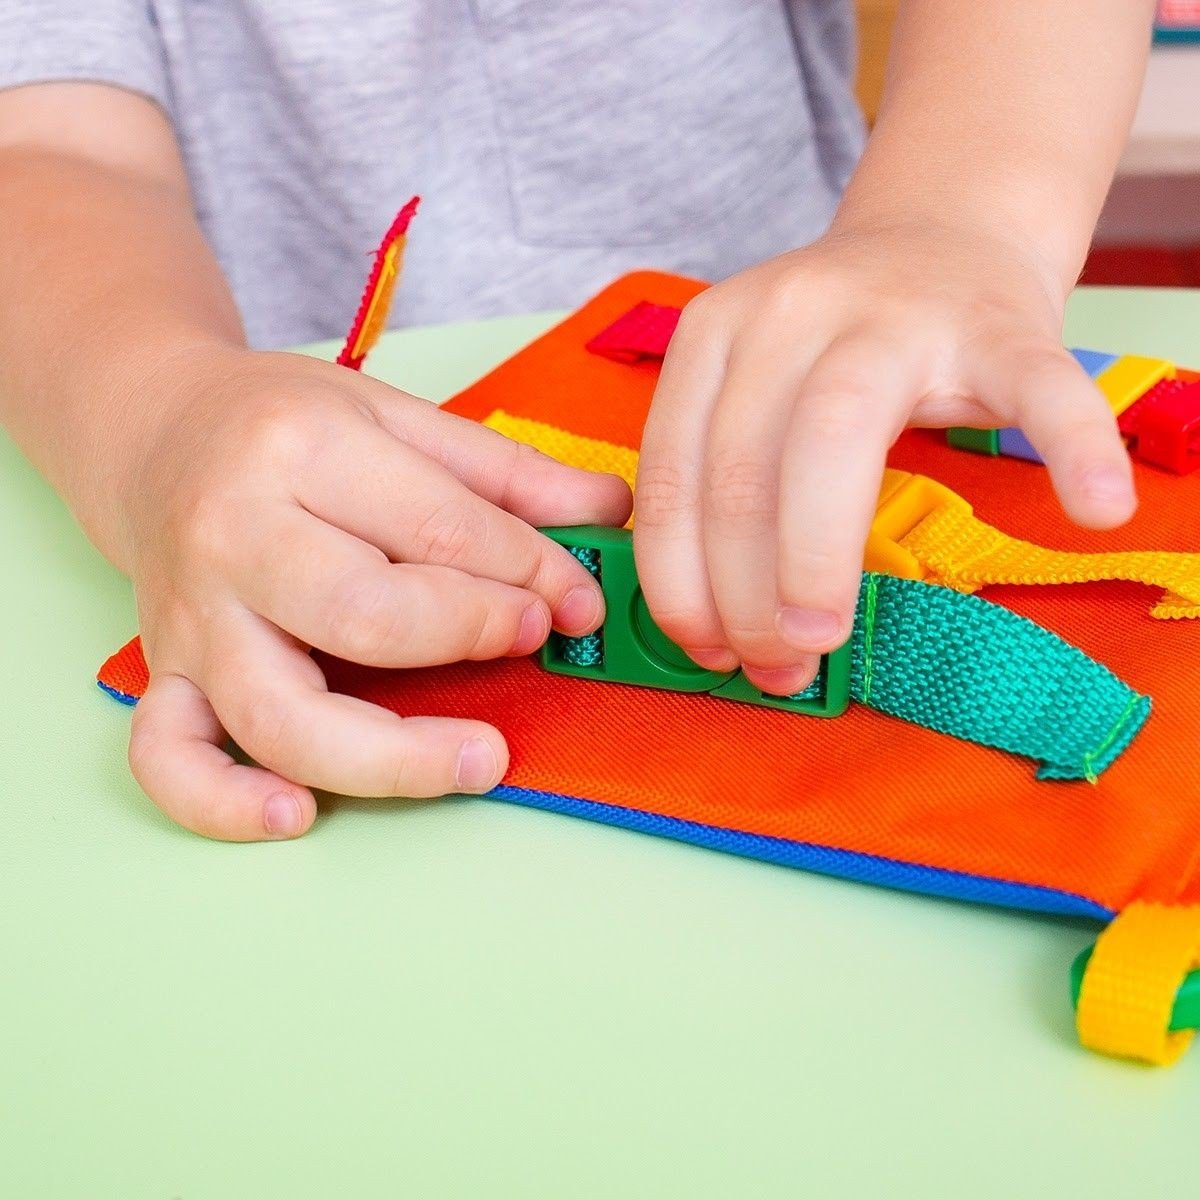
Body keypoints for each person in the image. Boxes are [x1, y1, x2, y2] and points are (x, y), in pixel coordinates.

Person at [0, 2, 1154, 840]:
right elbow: (42, 141)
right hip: (276, 513)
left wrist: (960, 217)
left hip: (846, 399)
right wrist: (157, 418)